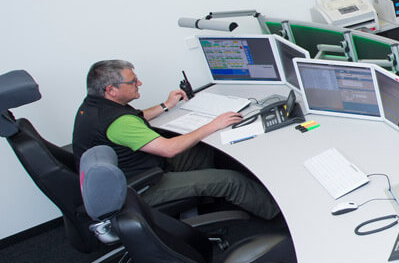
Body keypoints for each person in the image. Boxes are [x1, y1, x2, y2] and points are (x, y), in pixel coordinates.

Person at [72, 60, 280, 219]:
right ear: (111, 90)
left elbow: (135, 119)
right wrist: (213, 125)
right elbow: (169, 149)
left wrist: (166, 105)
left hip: (134, 171)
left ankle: (202, 198)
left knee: (200, 150)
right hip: (141, 187)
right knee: (231, 180)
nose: (139, 83)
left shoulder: (95, 107)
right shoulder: (118, 123)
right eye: (133, 81)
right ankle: (277, 213)